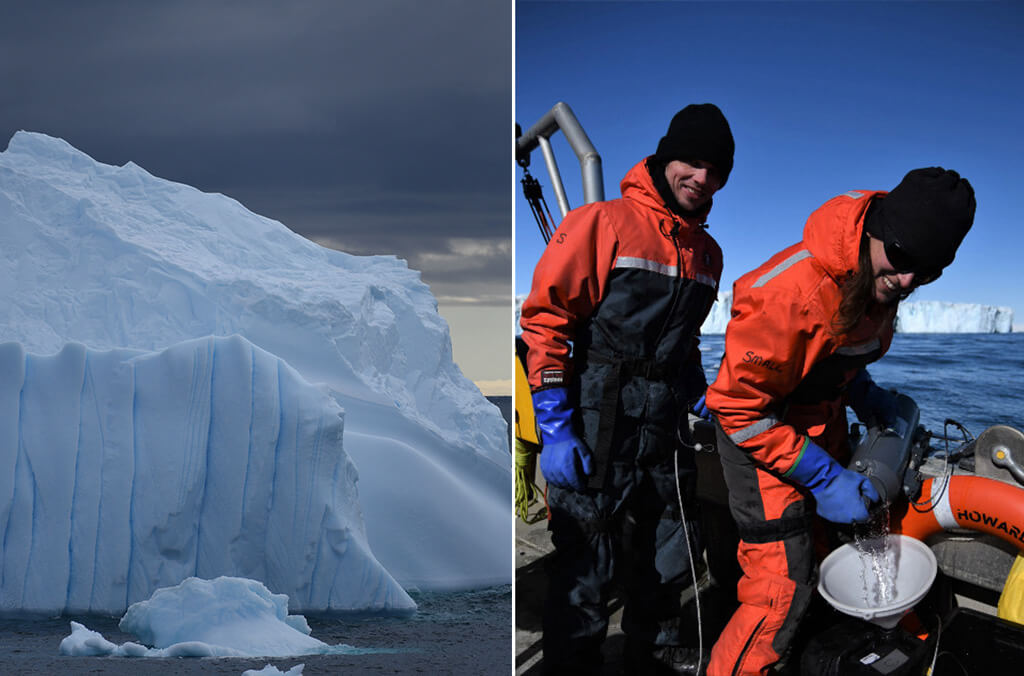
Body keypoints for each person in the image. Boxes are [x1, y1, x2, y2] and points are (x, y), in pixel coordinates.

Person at [704, 167, 976, 675]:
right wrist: (825, 476)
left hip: (817, 426)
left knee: (824, 556)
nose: (909, 279)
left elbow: (829, 358)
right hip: (761, 436)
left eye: (930, 271)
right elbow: (738, 408)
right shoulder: (790, 292)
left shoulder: (883, 275)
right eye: (902, 258)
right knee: (779, 591)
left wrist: (860, 391)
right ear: (876, 230)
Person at [519, 103, 734, 675]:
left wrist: (701, 394)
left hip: (663, 430)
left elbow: (684, 343)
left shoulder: (708, 255)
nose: (702, 179)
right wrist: (556, 427)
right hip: (597, 416)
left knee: (668, 553)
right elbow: (545, 321)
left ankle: (657, 660)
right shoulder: (602, 222)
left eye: (716, 170)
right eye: (691, 162)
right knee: (587, 562)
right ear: (667, 159)